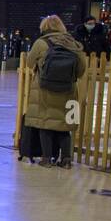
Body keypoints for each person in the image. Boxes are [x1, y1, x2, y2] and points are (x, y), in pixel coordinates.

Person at [24, 14, 87, 168]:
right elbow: (81, 70)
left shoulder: (41, 43)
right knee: (64, 126)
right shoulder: (73, 44)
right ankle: (66, 160)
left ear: (44, 27)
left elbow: (29, 62)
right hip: (68, 90)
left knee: (45, 123)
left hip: (45, 89)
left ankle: (47, 159)